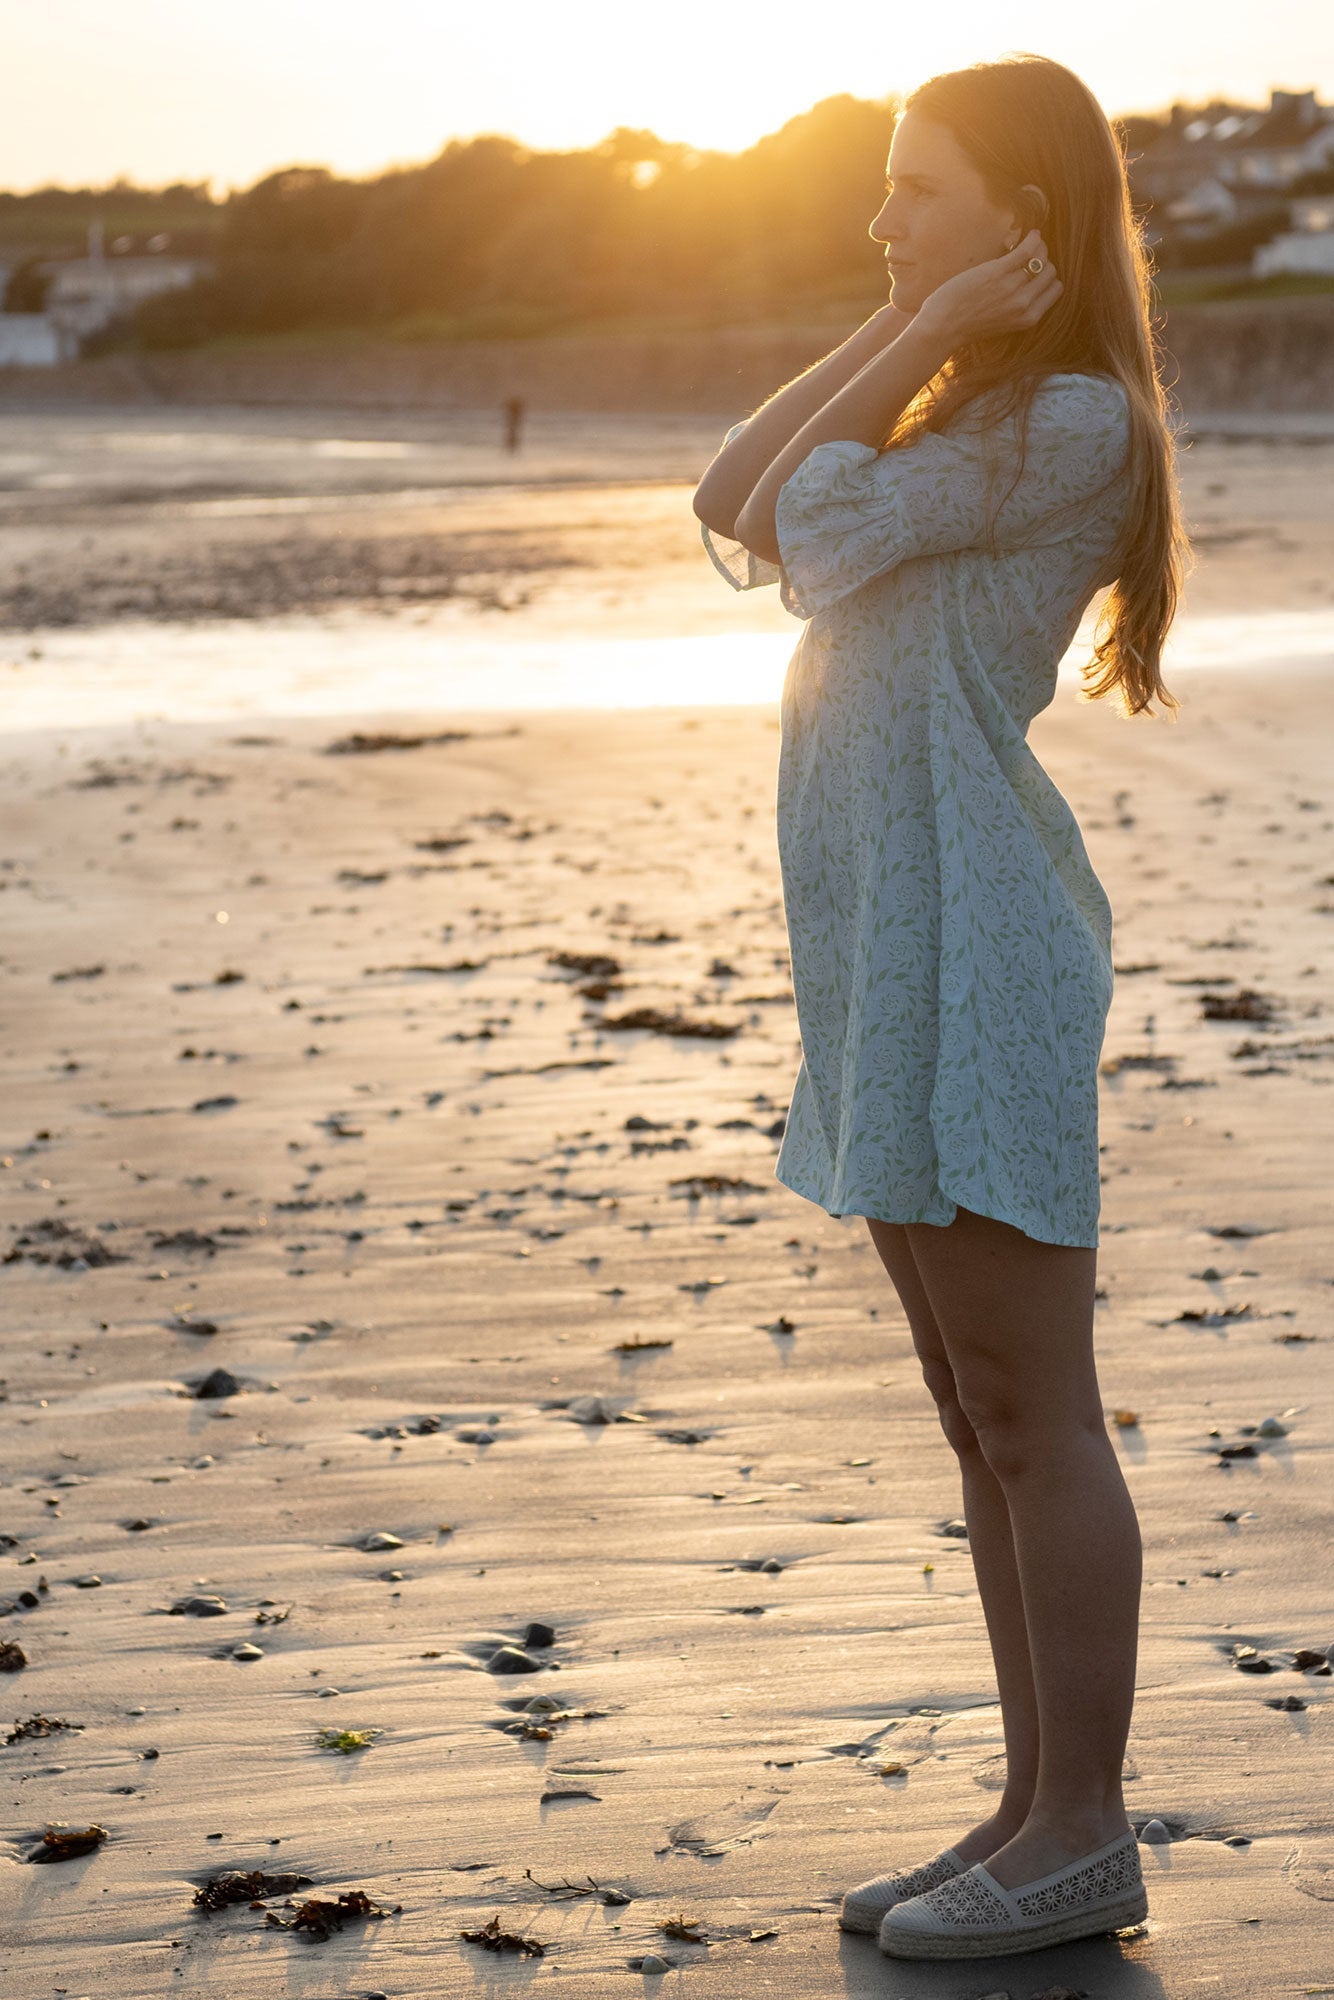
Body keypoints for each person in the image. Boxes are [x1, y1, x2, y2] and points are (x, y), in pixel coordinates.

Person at [692, 52, 1189, 1964]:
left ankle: (1085, 1823)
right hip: (889, 948)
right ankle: (1023, 1800)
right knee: (972, 1409)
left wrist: (907, 326)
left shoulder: (1066, 418)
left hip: (975, 945)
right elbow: (734, 502)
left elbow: (783, 520)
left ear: (1023, 213)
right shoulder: (966, 401)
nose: (879, 218)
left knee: (1032, 1407)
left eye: (915, 190)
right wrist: (909, 319)